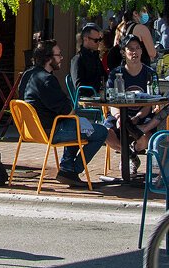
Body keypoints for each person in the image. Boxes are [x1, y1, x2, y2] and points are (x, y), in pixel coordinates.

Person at [22, 40, 107, 183]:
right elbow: (68, 111)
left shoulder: (28, 75)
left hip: (32, 129)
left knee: (78, 124)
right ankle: (73, 170)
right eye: (58, 55)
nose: (61, 58)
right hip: (51, 131)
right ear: (48, 58)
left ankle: (67, 166)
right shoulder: (47, 80)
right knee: (100, 131)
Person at [103, 35, 159, 160]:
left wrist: (137, 117)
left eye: (137, 48)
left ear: (141, 51)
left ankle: (132, 152)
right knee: (104, 133)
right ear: (123, 52)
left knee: (148, 135)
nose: (134, 52)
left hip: (142, 116)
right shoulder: (115, 74)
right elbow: (111, 102)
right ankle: (129, 155)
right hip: (119, 115)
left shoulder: (150, 74)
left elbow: (150, 103)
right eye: (130, 49)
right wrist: (119, 117)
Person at [70, 22, 107, 95]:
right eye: (96, 40)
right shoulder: (78, 59)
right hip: (87, 102)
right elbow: (80, 88)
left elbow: (104, 78)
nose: (98, 43)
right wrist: (97, 92)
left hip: (99, 99)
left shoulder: (95, 57)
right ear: (86, 39)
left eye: (99, 40)